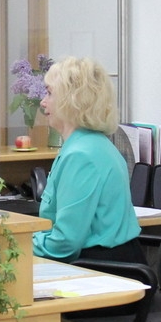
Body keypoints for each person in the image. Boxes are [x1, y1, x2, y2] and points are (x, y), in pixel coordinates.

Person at [31, 56, 143, 263]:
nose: (43, 101)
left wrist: (17, 245)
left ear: (72, 101)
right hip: (115, 260)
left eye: (50, 93)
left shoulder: (81, 155)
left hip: (102, 266)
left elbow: (64, 244)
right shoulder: (94, 144)